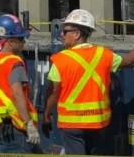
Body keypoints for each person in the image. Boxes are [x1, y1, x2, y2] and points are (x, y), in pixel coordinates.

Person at [43, 9, 134, 155]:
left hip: (71, 125)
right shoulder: (104, 54)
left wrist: (46, 114)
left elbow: (53, 91)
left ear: (77, 34)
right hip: (99, 123)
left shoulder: (61, 60)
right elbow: (129, 62)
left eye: (65, 31)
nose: (62, 34)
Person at [0, 14, 39, 153]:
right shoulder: (14, 62)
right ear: (10, 41)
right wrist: (29, 124)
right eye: (21, 39)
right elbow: (17, 94)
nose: (24, 42)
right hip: (15, 128)